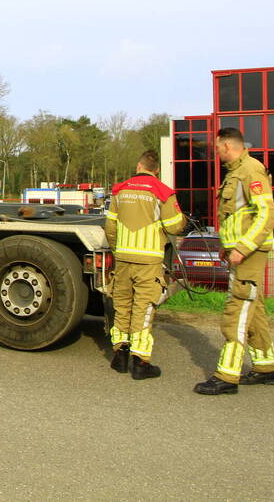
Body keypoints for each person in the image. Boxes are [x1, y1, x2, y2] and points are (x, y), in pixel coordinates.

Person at [194, 127, 274, 395]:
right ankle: (266, 368)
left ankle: (226, 376)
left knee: (236, 313)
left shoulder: (250, 171)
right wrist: (225, 246)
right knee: (254, 314)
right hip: (240, 252)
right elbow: (237, 217)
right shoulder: (235, 172)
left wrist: (241, 248)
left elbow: (267, 214)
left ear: (228, 146)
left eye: (217, 148)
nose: (215, 152)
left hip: (249, 254)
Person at [104, 150, 186, 379]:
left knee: (122, 306)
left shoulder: (120, 190)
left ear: (139, 166)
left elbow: (110, 227)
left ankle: (119, 355)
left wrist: (117, 249)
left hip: (123, 259)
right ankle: (140, 362)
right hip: (148, 261)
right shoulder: (162, 192)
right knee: (144, 307)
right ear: (156, 170)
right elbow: (173, 227)